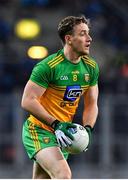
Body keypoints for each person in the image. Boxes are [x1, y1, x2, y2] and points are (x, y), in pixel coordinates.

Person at [21, 15, 99, 179]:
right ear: (69, 39)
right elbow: (27, 100)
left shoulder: (91, 67)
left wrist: (88, 128)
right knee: (63, 175)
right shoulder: (48, 67)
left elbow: (92, 104)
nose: (89, 38)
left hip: (64, 135)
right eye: (83, 34)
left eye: (88, 33)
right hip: (40, 130)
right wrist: (56, 124)